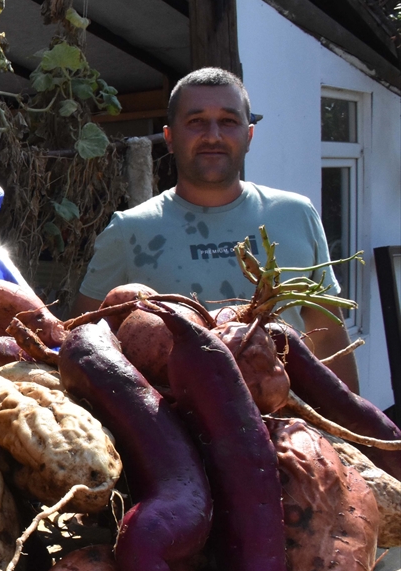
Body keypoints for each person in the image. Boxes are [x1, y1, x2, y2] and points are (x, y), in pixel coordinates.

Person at [73, 67, 359, 392]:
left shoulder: (296, 214)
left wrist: (356, 438)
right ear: (169, 138)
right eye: (196, 121)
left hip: (291, 430)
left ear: (248, 136)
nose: (213, 135)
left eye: (228, 121)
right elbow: (83, 346)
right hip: (175, 437)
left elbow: (330, 339)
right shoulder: (128, 232)